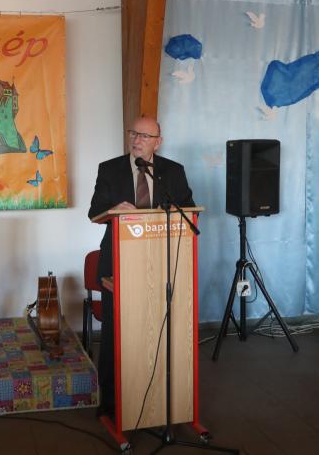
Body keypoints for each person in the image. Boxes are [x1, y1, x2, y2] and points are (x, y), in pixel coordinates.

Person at [87, 116, 195, 419]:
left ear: (158, 142)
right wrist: (113, 209)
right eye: (133, 133)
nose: (137, 140)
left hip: (161, 262)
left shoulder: (173, 171)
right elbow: (94, 212)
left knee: (159, 331)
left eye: (145, 136)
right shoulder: (109, 169)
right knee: (115, 335)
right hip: (118, 264)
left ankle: (160, 400)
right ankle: (111, 403)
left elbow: (189, 209)